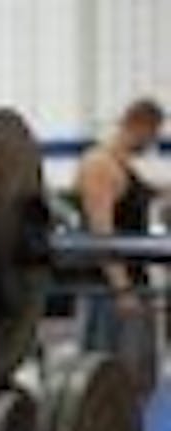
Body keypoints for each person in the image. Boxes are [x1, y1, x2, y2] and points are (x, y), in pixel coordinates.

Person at [76, 98, 165, 397]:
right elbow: (102, 235)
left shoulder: (123, 165)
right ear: (141, 126)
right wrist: (122, 290)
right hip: (110, 293)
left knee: (138, 383)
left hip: (134, 288)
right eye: (153, 136)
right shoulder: (99, 165)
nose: (152, 144)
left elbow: (144, 198)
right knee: (107, 385)